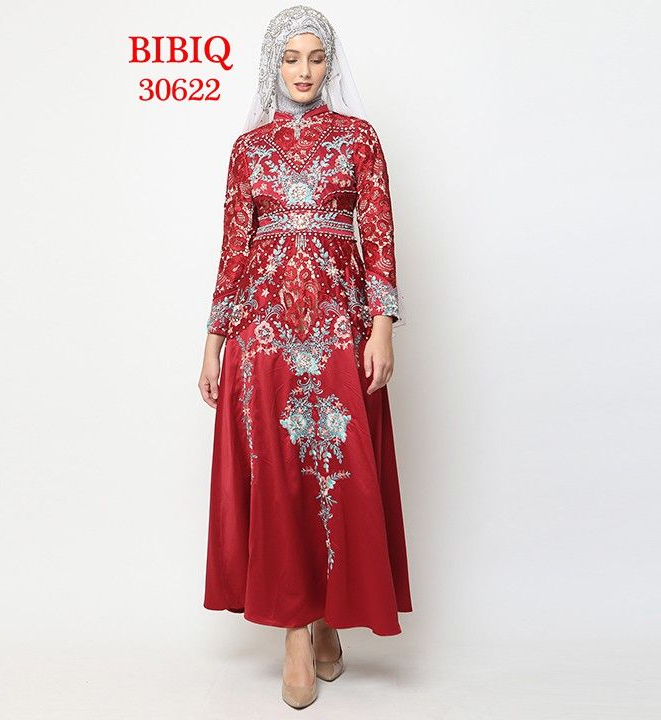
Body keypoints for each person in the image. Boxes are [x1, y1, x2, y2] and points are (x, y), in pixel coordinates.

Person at [198, 5, 412, 709]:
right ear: (273, 63)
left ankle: (329, 619)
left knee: (337, 477)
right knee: (280, 479)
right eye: (291, 58)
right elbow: (234, 250)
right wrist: (214, 342)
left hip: (339, 331)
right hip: (262, 336)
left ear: (330, 63)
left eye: (316, 58)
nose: (303, 71)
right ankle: (296, 633)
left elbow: (378, 236)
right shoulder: (248, 148)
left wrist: (382, 327)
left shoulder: (358, 139)